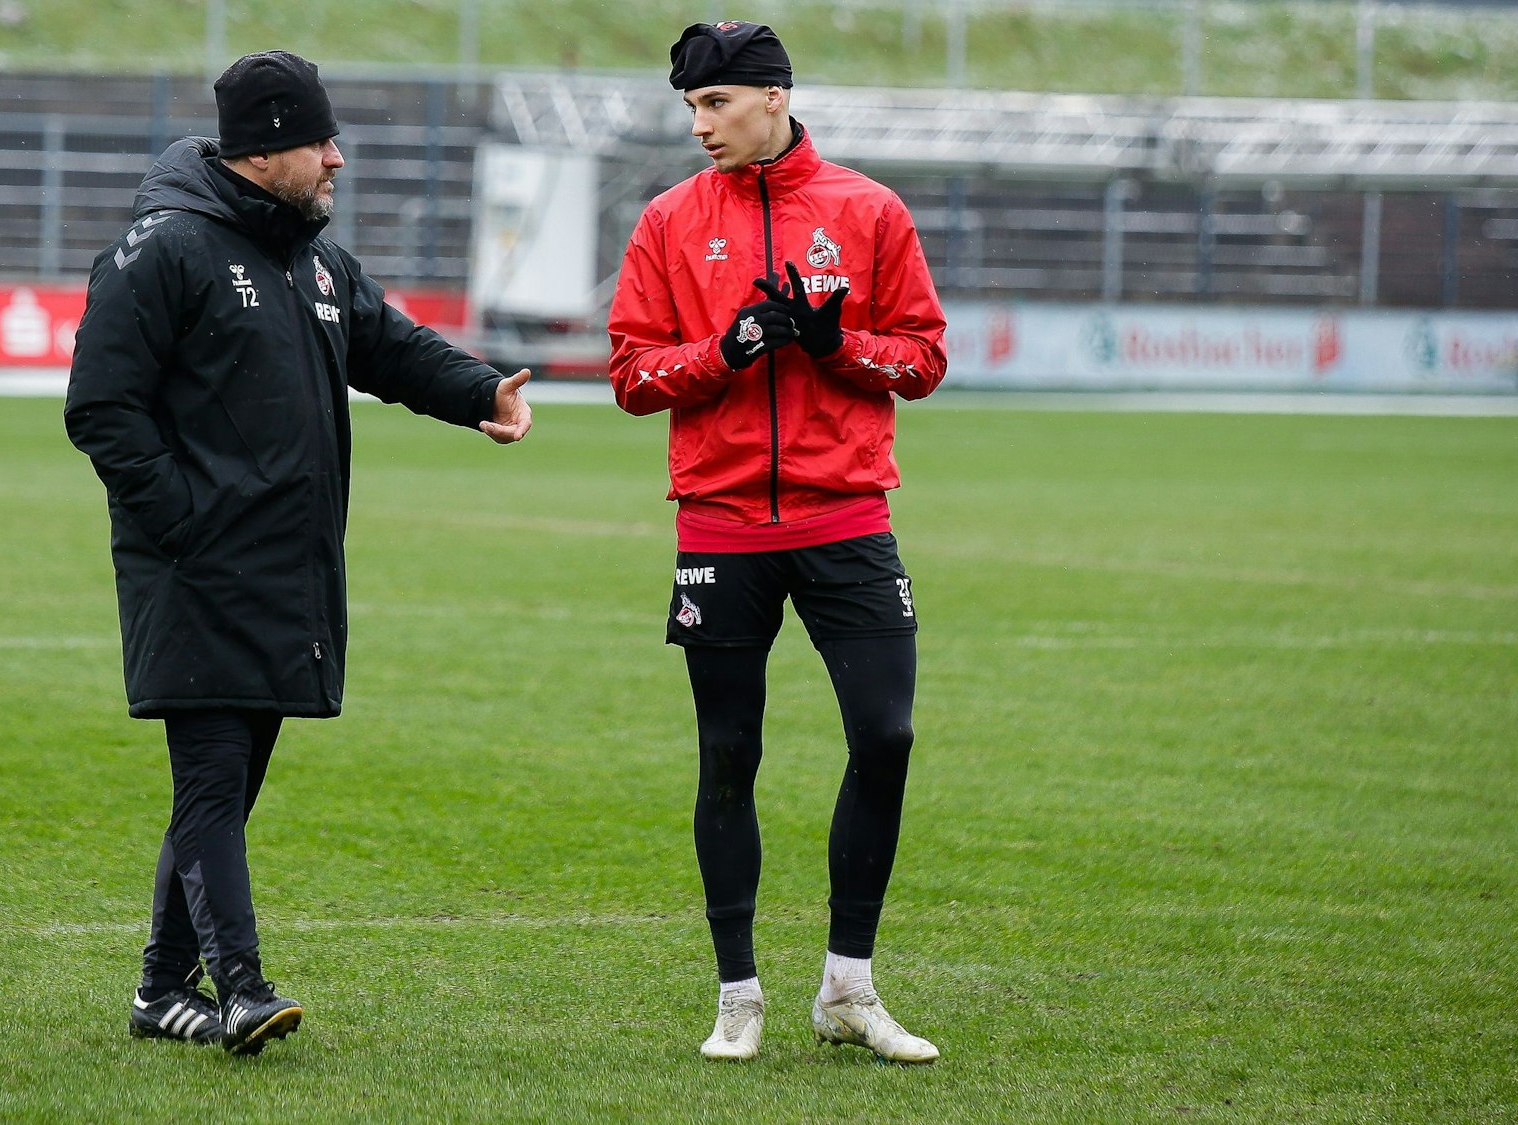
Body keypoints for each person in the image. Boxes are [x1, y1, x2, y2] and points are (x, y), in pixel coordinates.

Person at [64, 50, 533, 1057]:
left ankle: (158, 991)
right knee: (210, 778)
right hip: (193, 568)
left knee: (228, 788)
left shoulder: (313, 258)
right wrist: (183, 521)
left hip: (284, 570)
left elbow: (386, 344)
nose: (336, 160)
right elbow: (101, 408)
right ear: (263, 150)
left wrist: (478, 390)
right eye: (319, 143)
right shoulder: (163, 249)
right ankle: (239, 986)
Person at [606, 21, 948, 1064]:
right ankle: (737, 997)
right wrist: (731, 347)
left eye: (712, 105)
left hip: (846, 520)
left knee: (883, 739)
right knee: (728, 756)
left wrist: (833, 343)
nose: (698, 126)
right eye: (689, 109)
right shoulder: (667, 221)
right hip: (719, 528)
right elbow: (629, 376)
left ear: (770, 96)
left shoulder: (867, 210)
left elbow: (924, 361)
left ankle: (848, 989)